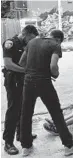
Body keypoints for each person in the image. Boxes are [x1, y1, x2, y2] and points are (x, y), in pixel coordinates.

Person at [19, 30, 73, 157]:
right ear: (59, 39)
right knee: (56, 114)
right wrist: (55, 74)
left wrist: (32, 71)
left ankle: (26, 147)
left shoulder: (32, 42)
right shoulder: (55, 45)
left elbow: (22, 62)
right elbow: (53, 66)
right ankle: (69, 146)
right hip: (44, 83)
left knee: (26, 114)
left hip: (28, 82)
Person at [2, 25, 38, 155]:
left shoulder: (27, 44)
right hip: (13, 81)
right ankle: (8, 142)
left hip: (25, 81)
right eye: (30, 38)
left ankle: (21, 135)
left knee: (24, 108)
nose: (31, 41)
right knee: (13, 110)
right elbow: (8, 64)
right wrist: (26, 70)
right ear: (25, 34)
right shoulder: (10, 43)